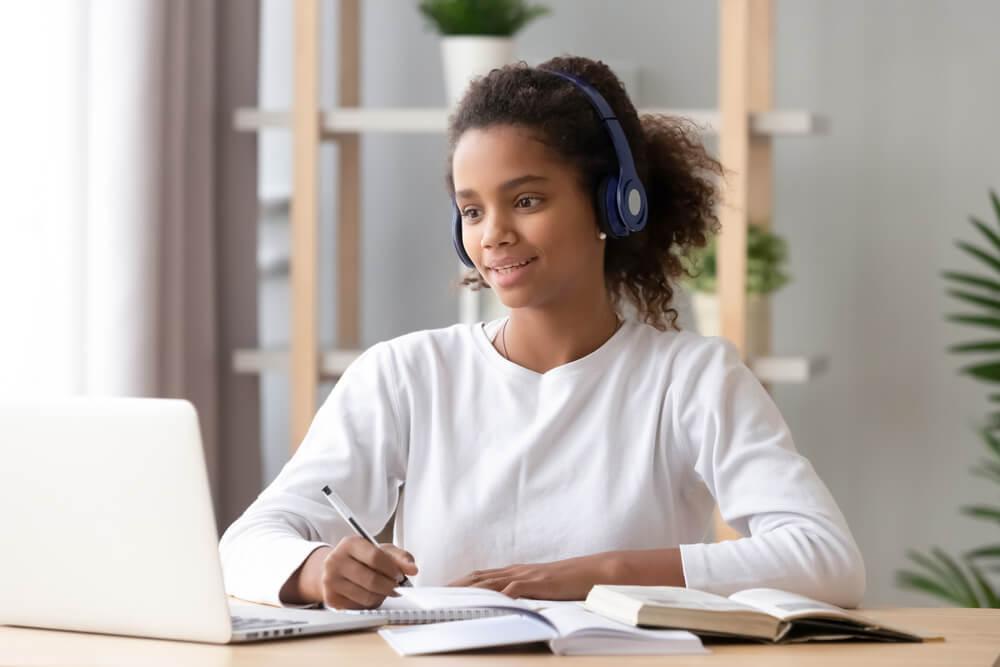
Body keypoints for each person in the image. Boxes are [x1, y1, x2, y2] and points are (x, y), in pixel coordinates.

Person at [219, 55, 865, 611]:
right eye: (472, 210)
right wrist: (315, 569)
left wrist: (602, 574)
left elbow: (829, 559)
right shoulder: (405, 375)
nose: (492, 233)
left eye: (525, 200)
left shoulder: (693, 379)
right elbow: (243, 545)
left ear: (613, 203)